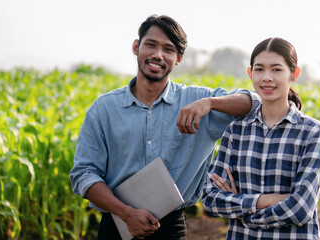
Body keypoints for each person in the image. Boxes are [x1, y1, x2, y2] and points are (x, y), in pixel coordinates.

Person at [69, 15, 260, 240]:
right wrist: (127, 214)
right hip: (117, 224)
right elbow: (84, 174)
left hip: (170, 228)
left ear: (178, 58)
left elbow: (254, 103)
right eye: (151, 45)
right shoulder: (104, 109)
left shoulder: (197, 100)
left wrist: (210, 103)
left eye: (168, 49)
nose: (158, 55)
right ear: (136, 47)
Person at [202, 37, 320, 239]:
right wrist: (265, 200)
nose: (267, 77)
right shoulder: (236, 131)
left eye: (277, 70)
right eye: (260, 69)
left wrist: (243, 212)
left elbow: (300, 208)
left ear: (294, 74)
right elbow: (210, 200)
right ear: (250, 73)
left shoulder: (313, 133)